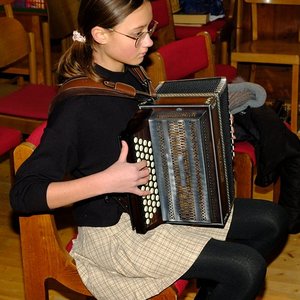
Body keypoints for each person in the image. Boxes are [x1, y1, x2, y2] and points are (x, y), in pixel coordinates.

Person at [10, 1, 289, 299]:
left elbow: (150, 133)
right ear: (100, 34)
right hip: (118, 237)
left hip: (158, 207)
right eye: (138, 34)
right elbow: (23, 194)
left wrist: (215, 132)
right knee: (245, 268)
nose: (149, 41)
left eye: (150, 29)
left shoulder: (131, 72)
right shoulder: (76, 107)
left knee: (273, 222)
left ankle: (215, 287)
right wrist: (106, 181)